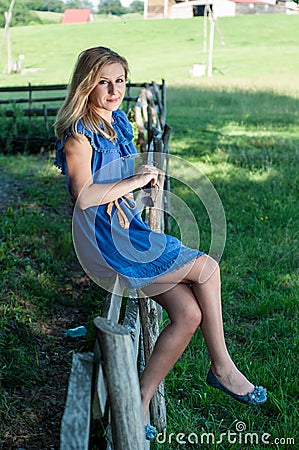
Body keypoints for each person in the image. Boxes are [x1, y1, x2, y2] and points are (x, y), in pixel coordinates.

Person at [54, 46, 267, 440]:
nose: (114, 89)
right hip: (109, 243)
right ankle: (221, 367)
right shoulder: (78, 138)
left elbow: (116, 189)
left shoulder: (116, 125)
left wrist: (143, 192)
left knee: (187, 315)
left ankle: (137, 402)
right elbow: (85, 197)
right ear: (86, 84)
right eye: (103, 81)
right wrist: (134, 181)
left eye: (119, 80)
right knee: (208, 268)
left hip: (129, 231)